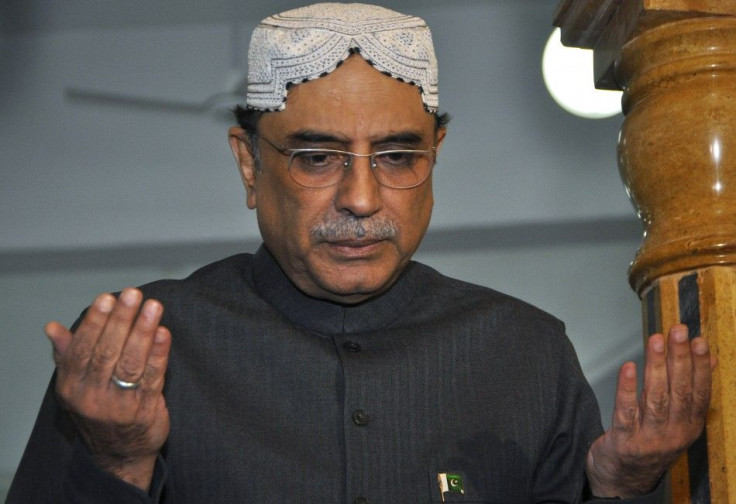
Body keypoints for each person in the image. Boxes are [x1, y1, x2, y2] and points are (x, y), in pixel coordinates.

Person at [7, 3, 713, 503]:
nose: (363, 199)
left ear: (436, 155)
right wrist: (119, 462)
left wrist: (620, 488)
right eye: (317, 157)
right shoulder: (144, 353)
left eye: (399, 155)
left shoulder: (527, 353)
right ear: (249, 166)